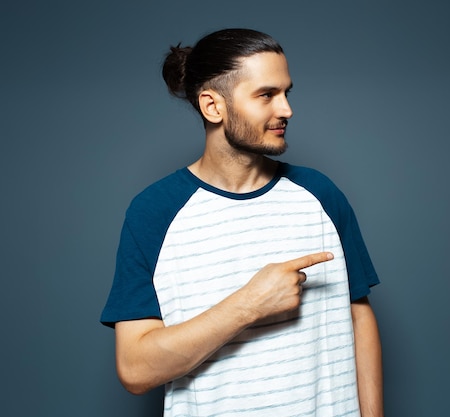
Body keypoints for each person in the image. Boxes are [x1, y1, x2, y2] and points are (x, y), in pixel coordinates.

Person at [100, 28, 383, 417]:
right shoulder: (154, 212)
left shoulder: (320, 194)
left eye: (287, 93)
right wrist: (249, 305)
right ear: (212, 106)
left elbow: (358, 316)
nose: (286, 109)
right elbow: (135, 370)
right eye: (266, 95)